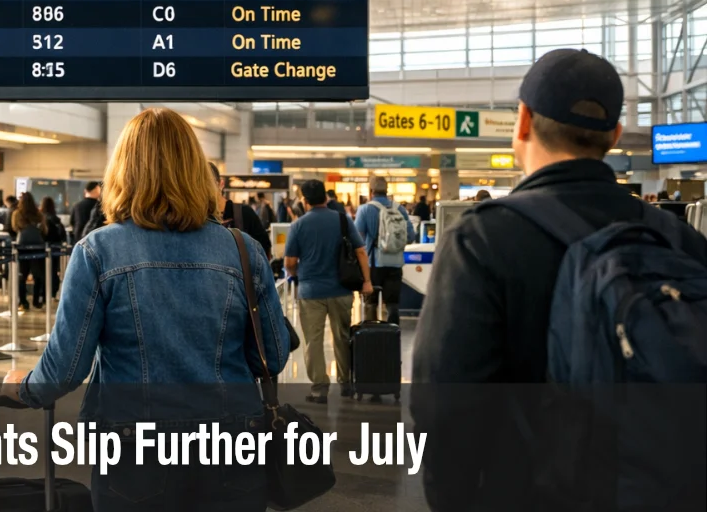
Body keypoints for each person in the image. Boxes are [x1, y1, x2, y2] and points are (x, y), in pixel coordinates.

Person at [412, 49, 707, 511]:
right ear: (612, 135)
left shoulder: (482, 238)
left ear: (523, 120)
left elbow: (446, 409)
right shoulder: (679, 238)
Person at [4, 108, 288, 512]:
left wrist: (22, 385)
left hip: (133, 443)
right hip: (231, 439)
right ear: (196, 171)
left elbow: (64, 371)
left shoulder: (97, 251)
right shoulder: (243, 250)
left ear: (122, 171)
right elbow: (272, 356)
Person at [284, 179, 373, 403]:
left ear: (304, 201)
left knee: (313, 341)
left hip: (310, 291)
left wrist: (296, 272)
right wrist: (367, 282)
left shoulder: (298, 225)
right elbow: (361, 252)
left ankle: (319, 389)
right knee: (342, 336)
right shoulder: (343, 220)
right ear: (326, 197)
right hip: (341, 289)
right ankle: (345, 384)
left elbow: (289, 261)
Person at [353, 176, 416, 325]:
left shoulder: (365, 209)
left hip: (372, 264)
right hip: (395, 263)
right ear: (387, 190)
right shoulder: (399, 209)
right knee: (393, 304)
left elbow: (356, 239)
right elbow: (411, 236)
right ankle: (393, 334)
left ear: (371, 191)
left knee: (371, 303)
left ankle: (372, 336)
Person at [210, 163, 271, 256]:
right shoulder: (195, 220)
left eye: (208, 184)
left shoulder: (244, 214)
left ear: (221, 184)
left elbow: (264, 251)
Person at [11, 192, 48, 311]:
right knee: (38, 275)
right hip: (37, 248)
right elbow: (44, 230)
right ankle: (36, 300)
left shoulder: (17, 214)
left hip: (22, 248)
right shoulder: (38, 214)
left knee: (22, 275)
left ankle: (23, 301)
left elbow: (14, 228)